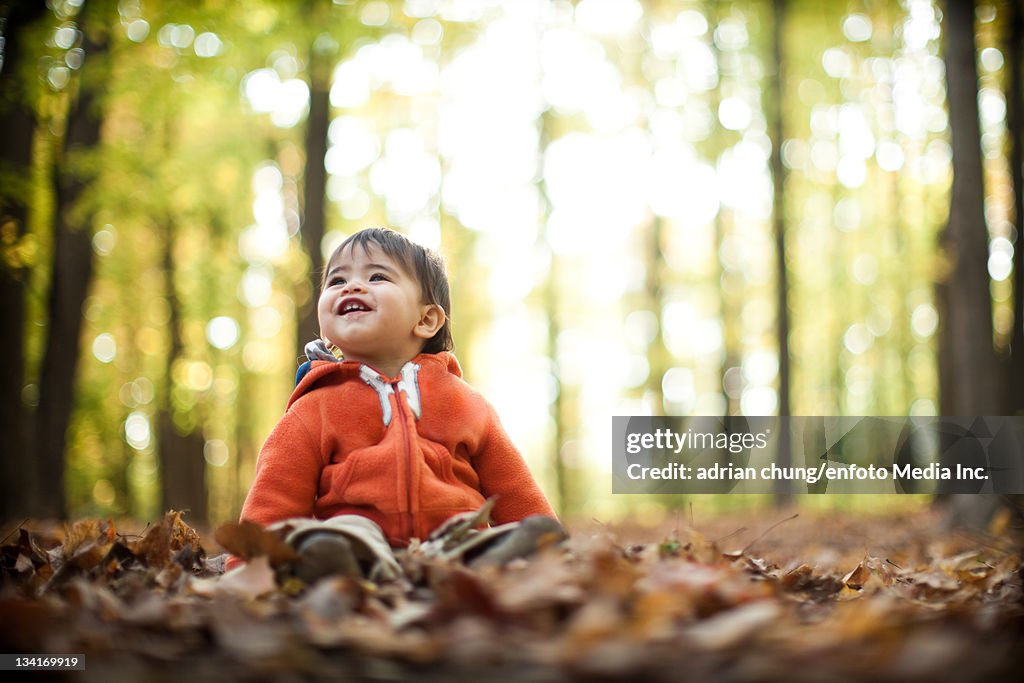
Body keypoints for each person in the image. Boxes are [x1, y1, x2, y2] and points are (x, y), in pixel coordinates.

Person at [230, 227, 564, 583]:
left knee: (502, 535)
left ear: (426, 320)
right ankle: (339, 566)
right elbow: (275, 494)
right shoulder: (314, 407)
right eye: (336, 280)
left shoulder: (466, 403)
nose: (351, 287)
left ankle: (482, 566)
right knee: (341, 531)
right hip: (362, 544)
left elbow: (512, 486)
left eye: (377, 276)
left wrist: (549, 545)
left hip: (454, 541)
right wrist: (247, 568)